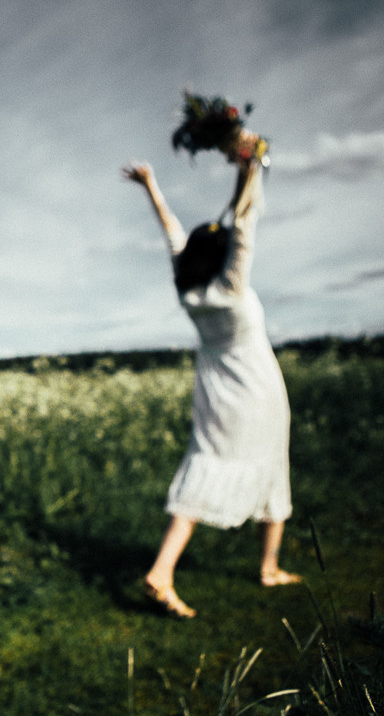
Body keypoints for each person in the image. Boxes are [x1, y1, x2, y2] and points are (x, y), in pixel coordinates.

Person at [122, 133, 300, 619]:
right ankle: (263, 567)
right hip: (257, 385)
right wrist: (249, 165)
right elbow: (244, 222)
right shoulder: (231, 285)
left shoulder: (192, 293)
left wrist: (151, 186)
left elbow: (173, 233)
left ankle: (170, 570)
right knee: (269, 461)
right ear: (218, 256)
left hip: (215, 388)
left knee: (207, 463)